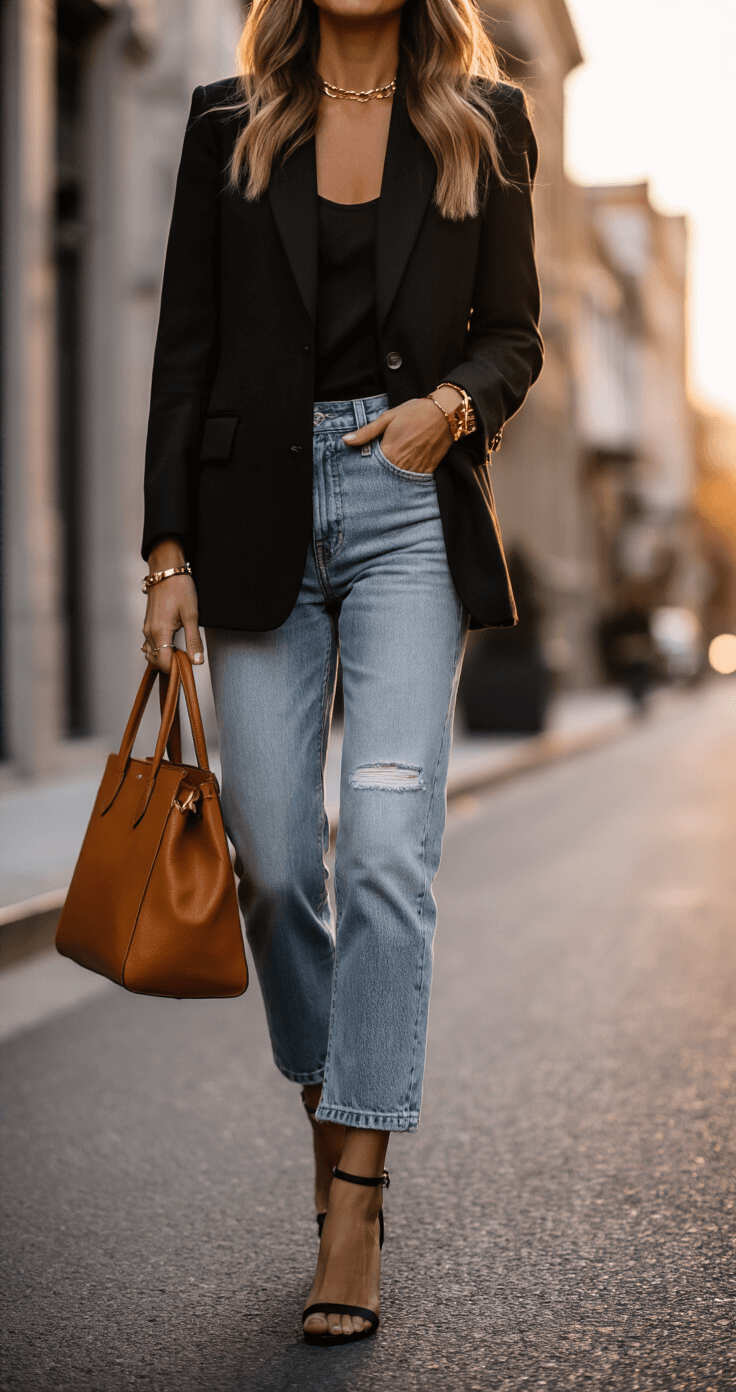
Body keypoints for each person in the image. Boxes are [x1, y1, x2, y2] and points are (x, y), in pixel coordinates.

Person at [140, 0, 543, 1346]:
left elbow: (516, 335)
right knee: (271, 858)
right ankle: (341, 1101)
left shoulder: (483, 124)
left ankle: (355, 1194)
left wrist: (451, 407)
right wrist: (166, 556)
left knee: (382, 846)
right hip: (251, 514)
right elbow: (182, 349)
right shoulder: (224, 124)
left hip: (404, 510)